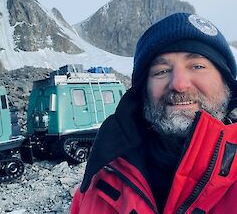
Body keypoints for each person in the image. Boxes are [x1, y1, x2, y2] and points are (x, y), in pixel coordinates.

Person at [70, 12, 237, 214]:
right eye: (161, 71)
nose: (179, 84)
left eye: (198, 66)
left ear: (227, 83)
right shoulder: (95, 188)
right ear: (143, 91)